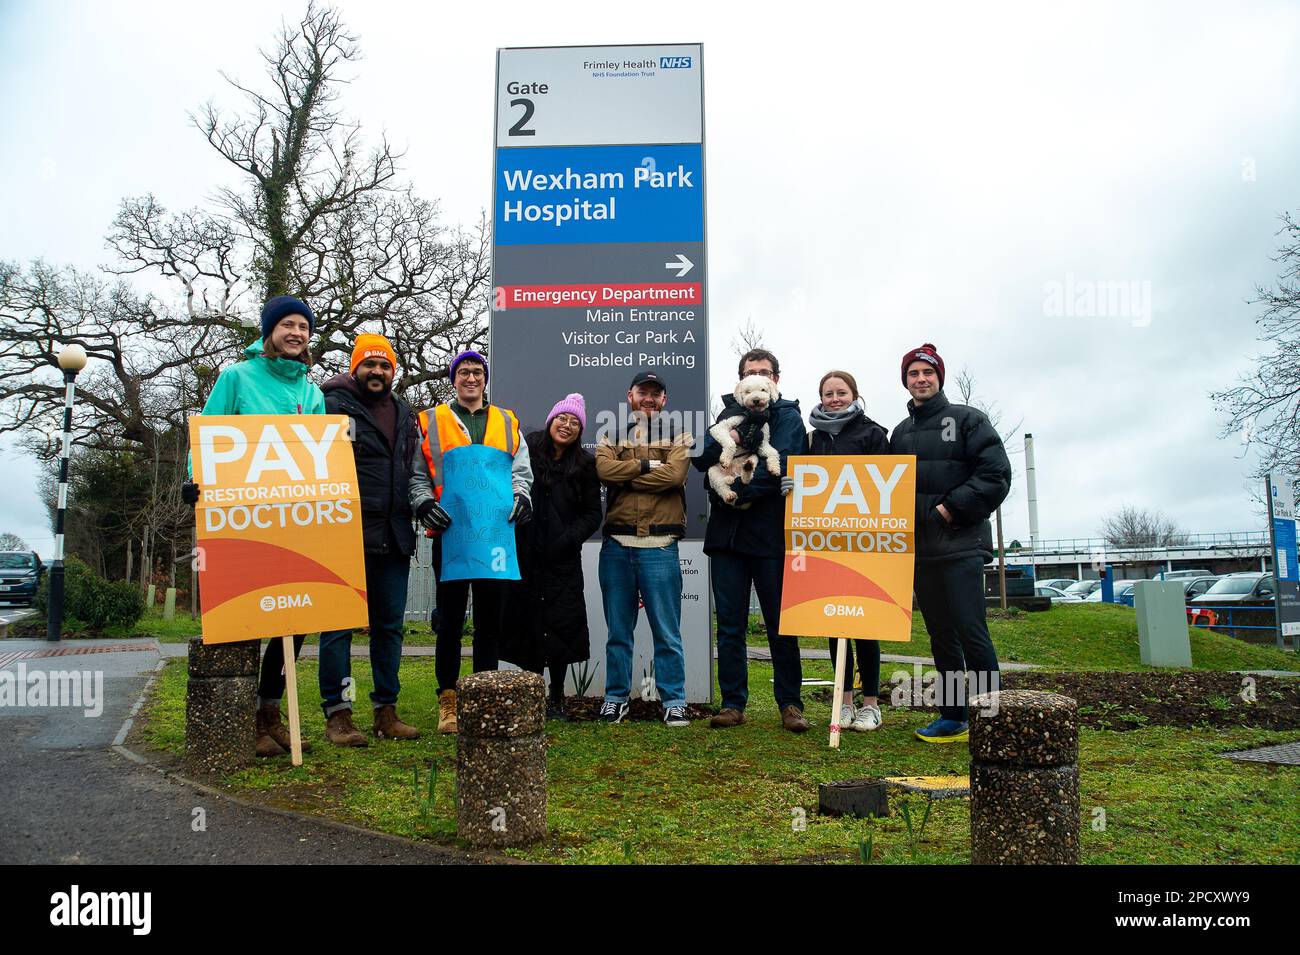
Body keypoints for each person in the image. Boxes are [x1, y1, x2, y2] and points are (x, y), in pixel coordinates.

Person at [182, 294, 324, 758]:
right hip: (244, 520)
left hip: (297, 520)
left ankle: (270, 710)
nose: (296, 333)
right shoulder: (236, 377)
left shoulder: (312, 392)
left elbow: (324, 454)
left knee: (295, 619)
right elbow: (208, 432)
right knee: (248, 614)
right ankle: (240, 715)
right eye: (287, 324)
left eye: (303, 326)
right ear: (269, 332)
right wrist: (194, 478)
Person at [888, 343, 1011, 743]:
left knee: (971, 632)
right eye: (913, 374)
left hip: (961, 545)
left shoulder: (969, 420)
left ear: (939, 377)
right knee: (941, 636)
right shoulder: (900, 433)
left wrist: (949, 509)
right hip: (921, 552)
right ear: (905, 381)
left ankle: (990, 717)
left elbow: (996, 475)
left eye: (927, 373)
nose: (920, 379)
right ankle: (953, 715)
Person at [411, 350, 532, 734]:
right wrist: (424, 502)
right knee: (448, 622)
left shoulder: (508, 421)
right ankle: (448, 698)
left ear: (485, 379)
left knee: (489, 623)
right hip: (451, 535)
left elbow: (520, 470)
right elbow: (417, 473)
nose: (471, 378)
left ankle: (480, 695)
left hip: (494, 536)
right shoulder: (431, 420)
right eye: (463, 372)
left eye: (477, 372)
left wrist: (522, 496)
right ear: (453, 379)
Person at [316, 334, 424, 745]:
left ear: (393, 372)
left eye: (385, 366)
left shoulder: (404, 412)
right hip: (345, 532)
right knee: (338, 627)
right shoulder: (329, 405)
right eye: (369, 364)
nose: (377, 372)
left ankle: (386, 711)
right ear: (354, 367)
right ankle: (338, 715)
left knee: (389, 628)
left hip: (395, 536)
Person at [693, 348, 808, 732]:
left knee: (780, 623)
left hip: (770, 536)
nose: (759, 377)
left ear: (775, 379)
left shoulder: (789, 416)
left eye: (765, 372)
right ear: (741, 382)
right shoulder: (727, 414)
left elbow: (786, 464)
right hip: (726, 537)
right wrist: (722, 483)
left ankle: (790, 704)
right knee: (729, 624)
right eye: (751, 372)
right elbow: (707, 459)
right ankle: (732, 703)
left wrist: (740, 494)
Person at [594, 371, 692, 727]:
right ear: (630, 396)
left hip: (660, 544)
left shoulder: (680, 434)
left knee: (667, 631)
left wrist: (628, 472)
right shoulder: (610, 433)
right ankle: (615, 698)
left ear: (663, 400)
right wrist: (650, 465)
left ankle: (674, 701)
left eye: (656, 393)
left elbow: (675, 477)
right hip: (618, 545)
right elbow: (604, 470)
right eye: (642, 392)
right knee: (618, 632)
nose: (649, 399)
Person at [501, 394, 602, 721]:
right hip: (525, 554)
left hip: (562, 559)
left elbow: (592, 514)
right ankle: (531, 695)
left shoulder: (585, 465)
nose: (567, 425)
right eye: (563, 419)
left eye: (574, 423)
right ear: (551, 420)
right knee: (527, 623)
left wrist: (569, 539)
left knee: (561, 624)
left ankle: (556, 697)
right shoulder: (527, 449)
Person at [807, 369, 890, 732]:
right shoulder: (814, 438)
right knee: (834, 621)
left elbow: (887, 483)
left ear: (854, 395)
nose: (835, 399)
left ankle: (871, 703)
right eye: (828, 393)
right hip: (826, 542)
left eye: (841, 392)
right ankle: (843, 701)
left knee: (864, 623)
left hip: (864, 541)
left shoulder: (873, 434)